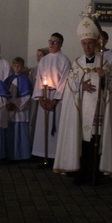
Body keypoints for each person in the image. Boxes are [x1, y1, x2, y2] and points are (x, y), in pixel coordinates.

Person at [54, 13, 112, 183]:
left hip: (99, 109)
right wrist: (80, 86)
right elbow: (70, 87)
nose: (87, 47)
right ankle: (80, 173)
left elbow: (111, 87)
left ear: (96, 43)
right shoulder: (77, 63)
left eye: (90, 43)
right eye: (84, 43)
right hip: (81, 110)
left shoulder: (103, 63)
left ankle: (95, 174)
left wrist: (105, 77)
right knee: (82, 142)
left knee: (96, 142)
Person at [31, 33, 71, 163]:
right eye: (50, 41)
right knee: (43, 127)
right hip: (44, 95)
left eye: (55, 42)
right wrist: (41, 98)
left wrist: (54, 100)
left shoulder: (64, 60)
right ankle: (42, 154)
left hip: (56, 99)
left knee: (55, 127)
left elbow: (64, 81)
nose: (51, 44)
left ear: (60, 44)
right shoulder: (44, 59)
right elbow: (39, 79)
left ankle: (55, 156)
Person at [4, 57, 32, 161]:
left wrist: (15, 105)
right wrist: (7, 103)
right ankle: (10, 153)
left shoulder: (25, 79)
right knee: (11, 132)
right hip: (10, 109)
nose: (17, 68)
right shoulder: (9, 79)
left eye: (19, 66)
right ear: (12, 66)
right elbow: (4, 94)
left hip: (20, 110)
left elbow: (27, 95)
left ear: (22, 66)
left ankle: (22, 154)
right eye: (15, 65)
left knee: (21, 133)